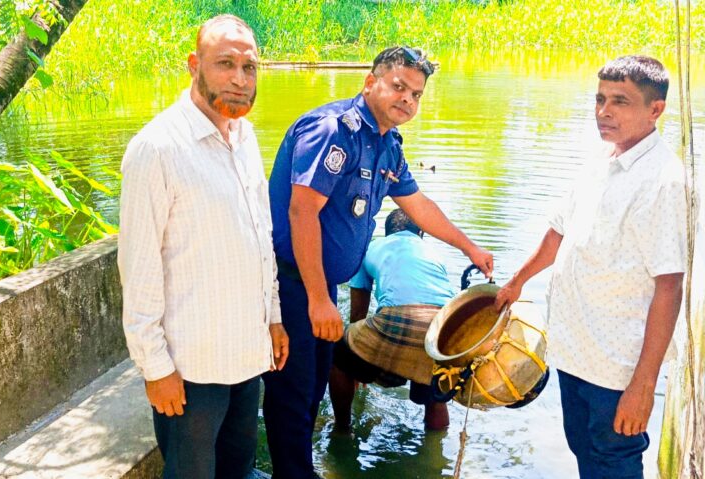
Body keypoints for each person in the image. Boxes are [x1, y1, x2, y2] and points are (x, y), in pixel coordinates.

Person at [264, 46, 494, 479]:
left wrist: (469, 247)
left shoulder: (387, 145)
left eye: (417, 94)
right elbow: (302, 212)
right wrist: (317, 299)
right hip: (292, 285)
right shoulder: (335, 130)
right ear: (370, 82)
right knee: (292, 391)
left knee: (311, 387)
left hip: (318, 286)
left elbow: (418, 204)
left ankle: (296, 470)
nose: (407, 99)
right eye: (399, 86)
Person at [495, 55, 687, 478]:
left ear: (655, 110)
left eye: (620, 101)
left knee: (614, 459)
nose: (604, 111)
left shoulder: (664, 180)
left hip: (617, 366)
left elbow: (669, 286)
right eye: (600, 99)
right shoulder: (600, 161)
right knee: (585, 450)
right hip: (575, 352)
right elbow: (558, 233)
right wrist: (515, 282)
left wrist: (642, 386)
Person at [117, 15, 289, 479]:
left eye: (249, 67)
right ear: (194, 65)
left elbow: (260, 236)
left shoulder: (245, 136)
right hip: (190, 369)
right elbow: (138, 268)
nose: (239, 78)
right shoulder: (157, 148)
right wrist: (155, 368)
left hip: (245, 356)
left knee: (239, 470)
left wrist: (272, 317)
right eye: (224, 64)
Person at [329, 208, 455, 431]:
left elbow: (358, 315)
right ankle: (435, 448)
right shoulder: (434, 253)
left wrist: (358, 361)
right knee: (436, 388)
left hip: (399, 319)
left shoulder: (370, 249)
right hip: (444, 326)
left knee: (339, 353)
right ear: (421, 234)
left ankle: (342, 428)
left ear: (387, 234)